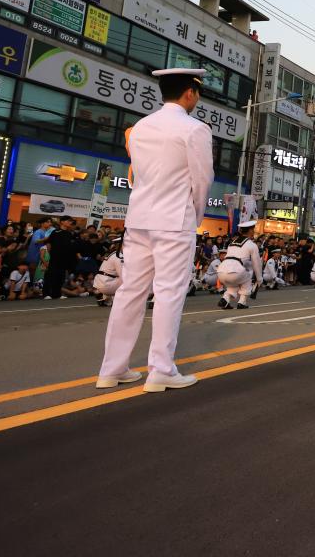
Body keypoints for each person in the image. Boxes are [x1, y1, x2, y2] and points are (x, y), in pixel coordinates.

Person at [96, 67, 214, 393]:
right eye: (197, 93)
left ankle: (111, 369)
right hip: (174, 220)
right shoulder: (195, 129)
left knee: (130, 292)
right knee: (168, 294)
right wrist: (195, 215)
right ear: (190, 93)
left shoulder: (140, 128)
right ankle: (160, 370)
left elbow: (137, 173)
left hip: (138, 219)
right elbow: (202, 180)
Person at [217, 221, 263, 310]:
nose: (254, 231)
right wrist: (259, 279)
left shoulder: (231, 243)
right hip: (235, 272)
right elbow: (256, 264)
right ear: (250, 231)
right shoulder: (252, 245)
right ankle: (242, 302)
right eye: (253, 229)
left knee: (234, 282)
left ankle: (225, 298)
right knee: (248, 275)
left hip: (221, 271)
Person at [42, 216, 80, 300]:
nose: (70, 222)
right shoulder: (56, 232)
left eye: (70, 221)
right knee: (51, 275)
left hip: (65, 259)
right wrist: (51, 254)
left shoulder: (69, 233)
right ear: (62, 222)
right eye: (68, 221)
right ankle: (46, 294)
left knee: (61, 276)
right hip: (55, 258)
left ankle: (56, 294)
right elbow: (48, 243)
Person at [93, 235, 124, 308]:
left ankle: (103, 296)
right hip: (107, 284)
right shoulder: (119, 256)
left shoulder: (113, 253)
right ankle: (117, 300)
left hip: (99, 282)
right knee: (129, 280)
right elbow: (123, 275)